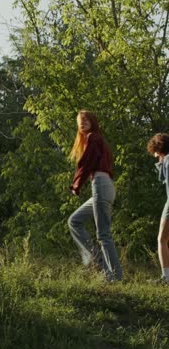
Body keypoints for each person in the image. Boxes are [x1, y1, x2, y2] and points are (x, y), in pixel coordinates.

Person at [68, 109, 122, 282]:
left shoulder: (94, 138)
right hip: (102, 186)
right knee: (74, 221)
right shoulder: (97, 140)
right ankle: (99, 262)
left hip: (101, 185)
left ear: (92, 121)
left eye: (85, 119)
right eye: (79, 120)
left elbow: (86, 163)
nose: (82, 122)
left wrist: (76, 184)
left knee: (104, 234)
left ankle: (114, 277)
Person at [147, 133, 169, 284]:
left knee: (161, 239)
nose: (155, 155)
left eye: (155, 152)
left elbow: (162, 178)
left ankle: (166, 278)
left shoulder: (167, 161)